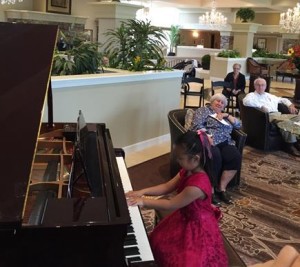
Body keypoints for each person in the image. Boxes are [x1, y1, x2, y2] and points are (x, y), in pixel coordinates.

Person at [126, 131, 228, 267]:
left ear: (195, 159)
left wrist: (143, 201)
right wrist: (142, 191)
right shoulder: (188, 170)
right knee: (158, 241)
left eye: (180, 158)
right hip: (184, 215)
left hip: (196, 225)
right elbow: (167, 186)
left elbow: (171, 204)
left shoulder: (198, 186)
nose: (177, 161)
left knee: (186, 261)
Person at [189, 93, 242, 204]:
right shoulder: (204, 110)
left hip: (225, 142)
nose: (219, 103)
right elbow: (196, 125)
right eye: (217, 101)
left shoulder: (224, 115)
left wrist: (227, 115)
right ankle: (211, 190)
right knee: (215, 156)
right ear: (212, 101)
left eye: (222, 103)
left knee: (235, 156)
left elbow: (238, 125)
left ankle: (221, 188)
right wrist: (207, 135)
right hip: (210, 141)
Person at [243, 77, 300, 157]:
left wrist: (290, 105)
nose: (260, 87)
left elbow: (283, 100)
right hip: (269, 116)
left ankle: (296, 141)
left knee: (297, 119)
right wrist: (261, 106)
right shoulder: (251, 95)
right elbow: (246, 102)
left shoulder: (270, 95)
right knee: (287, 123)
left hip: (279, 115)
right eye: (258, 85)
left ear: (265, 86)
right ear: (255, 86)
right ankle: (290, 145)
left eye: (263, 85)